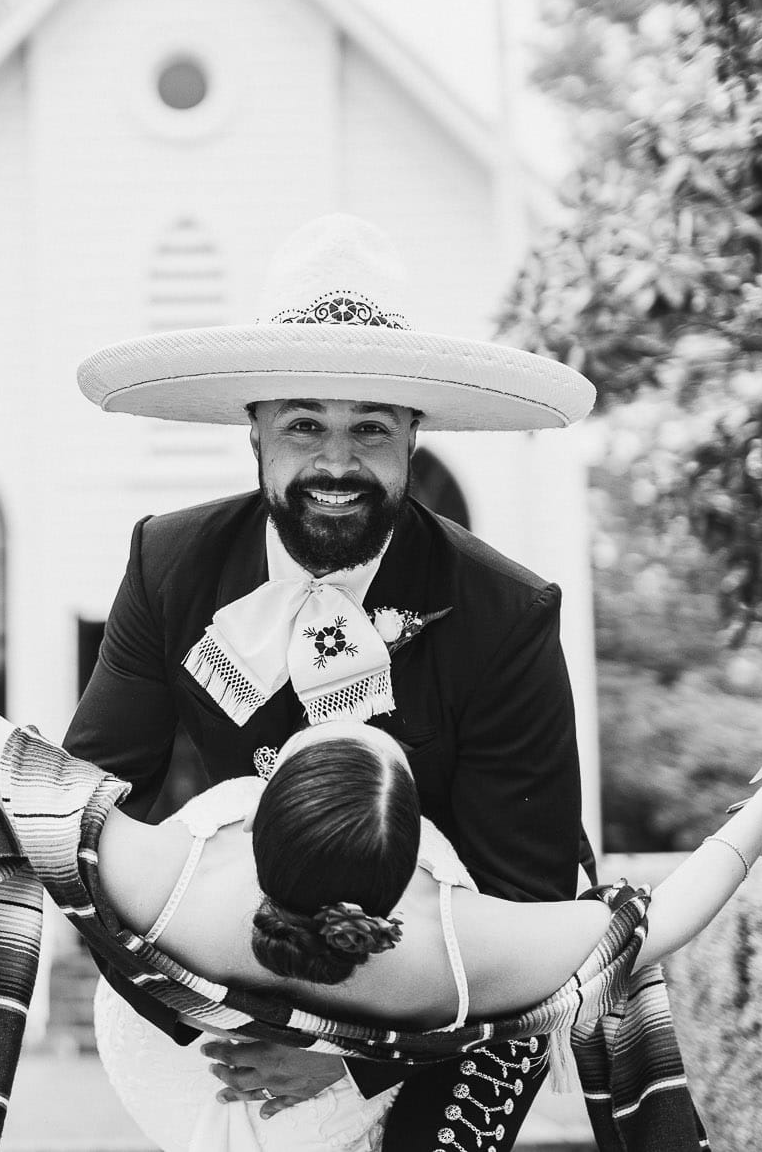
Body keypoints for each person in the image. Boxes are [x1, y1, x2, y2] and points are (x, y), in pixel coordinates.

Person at [0, 510, 762, 1152]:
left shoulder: (172, 881)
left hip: (176, 1068)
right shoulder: (445, 949)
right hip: (341, 1106)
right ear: (409, 868)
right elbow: (661, 917)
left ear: (260, 810)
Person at [64, 213, 600, 1149]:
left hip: (444, 1027)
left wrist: (352, 1055)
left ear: (414, 435)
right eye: (305, 423)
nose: (338, 462)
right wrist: (215, 1003)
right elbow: (82, 813)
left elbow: (527, 910)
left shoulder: (506, 616)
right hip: (225, 1013)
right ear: (256, 428)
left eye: (371, 428)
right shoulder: (169, 566)